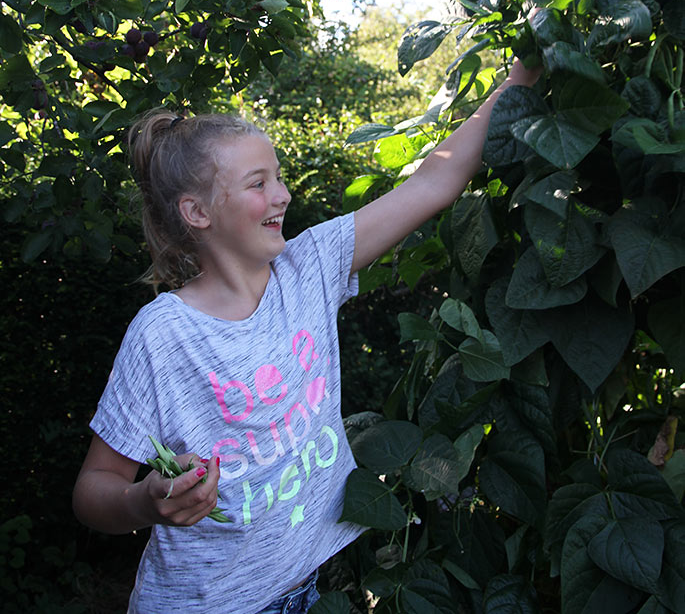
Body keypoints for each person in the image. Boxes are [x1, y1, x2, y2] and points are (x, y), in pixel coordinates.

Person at [72, 58, 539, 614]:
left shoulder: (311, 266)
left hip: (313, 590)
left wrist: (521, 77)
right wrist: (144, 502)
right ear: (196, 212)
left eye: (279, 177)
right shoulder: (163, 335)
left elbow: (437, 178)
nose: (283, 195)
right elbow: (93, 490)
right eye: (258, 183)